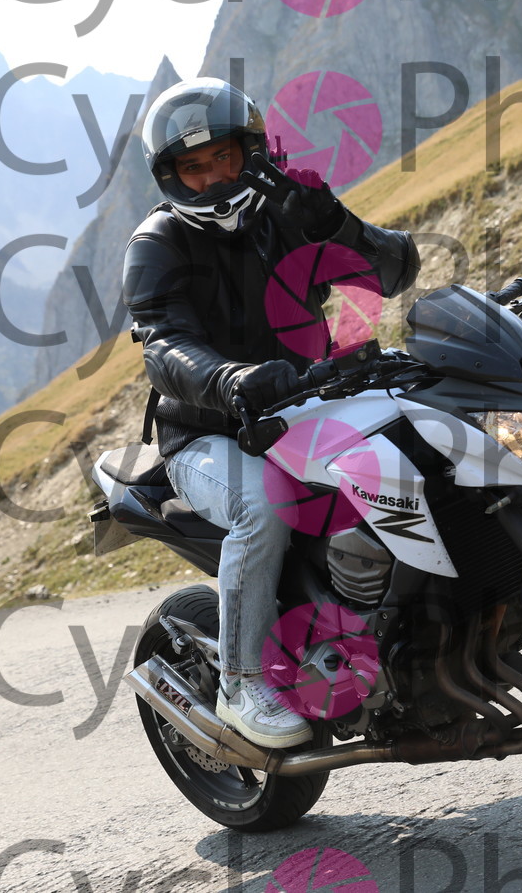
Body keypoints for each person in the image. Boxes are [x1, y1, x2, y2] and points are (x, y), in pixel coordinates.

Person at [122, 77, 419, 748]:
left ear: (251, 152)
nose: (213, 178)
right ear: (171, 177)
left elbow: (392, 274)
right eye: (194, 168)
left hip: (309, 407)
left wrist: (334, 222)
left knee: (417, 452)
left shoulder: (285, 213)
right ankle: (240, 683)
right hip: (209, 432)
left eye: (223, 157)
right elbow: (163, 346)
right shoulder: (157, 243)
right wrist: (230, 379)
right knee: (262, 504)